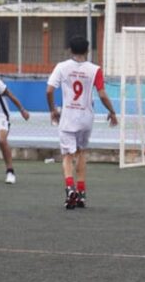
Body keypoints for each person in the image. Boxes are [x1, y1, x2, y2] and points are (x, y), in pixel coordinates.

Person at [46, 36, 118, 209]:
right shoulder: (95, 70)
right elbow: (101, 94)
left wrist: (53, 110)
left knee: (67, 155)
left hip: (69, 117)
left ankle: (70, 189)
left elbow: (49, 90)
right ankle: (82, 193)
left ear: (70, 49)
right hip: (86, 118)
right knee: (81, 153)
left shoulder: (62, 67)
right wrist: (112, 112)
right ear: (87, 50)